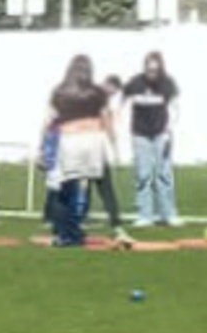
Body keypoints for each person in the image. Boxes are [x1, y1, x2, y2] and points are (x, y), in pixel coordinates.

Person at [44, 53, 118, 249]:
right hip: (92, 140)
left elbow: (49, 121)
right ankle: (75, 229)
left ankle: (63, 231)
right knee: (83, 188)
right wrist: (113, 143)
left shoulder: (59, 92)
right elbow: (106, 119)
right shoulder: (98, 93)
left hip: (69, 139)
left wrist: (43, 146)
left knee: (65, 187)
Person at [117, 51, 181, 225]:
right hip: (140, 134)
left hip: (161, 134)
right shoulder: (135, 82)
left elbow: (175, 107)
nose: (151, 72)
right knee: (143, 175)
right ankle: (145, 215)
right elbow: (121, 99)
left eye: (155, 69)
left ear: (160, 68)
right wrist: (117, 115)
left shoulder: (168, 83)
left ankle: (168, 214)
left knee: (164, 175)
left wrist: (170, 128)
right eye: (148, 69)